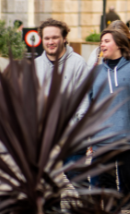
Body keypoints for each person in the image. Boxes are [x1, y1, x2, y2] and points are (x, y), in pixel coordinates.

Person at [88, 29, 130, 214]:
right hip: (103, 136)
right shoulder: (95, 72)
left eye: (106, 41)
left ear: (118, 44)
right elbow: (87, 104)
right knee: (106, 181)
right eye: (101, 41)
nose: (102, 44)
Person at [34, 19, 90, 177]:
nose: (50, 42)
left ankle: (89, 202)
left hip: (72, 134)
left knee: (76, 176)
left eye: (55, 37)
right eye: (47, 38)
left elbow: (84, 98)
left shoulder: (78, 63)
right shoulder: (35, 65)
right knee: (46, 182)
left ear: (64, 38)